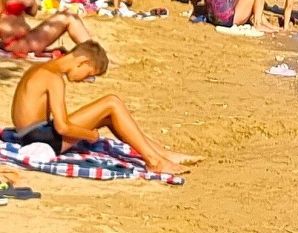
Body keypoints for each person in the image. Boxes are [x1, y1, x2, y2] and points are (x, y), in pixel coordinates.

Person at [10, 42, 188, 174]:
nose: (85, 80)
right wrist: (91, 135)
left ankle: (161, 153)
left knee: (109, 115)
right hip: (40, 138)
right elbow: (62, 127)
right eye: (89, 74)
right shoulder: (53, 78)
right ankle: (154, 161)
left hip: (31, 134)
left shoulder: (40, 69)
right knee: (112, 102)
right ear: (82, 62)